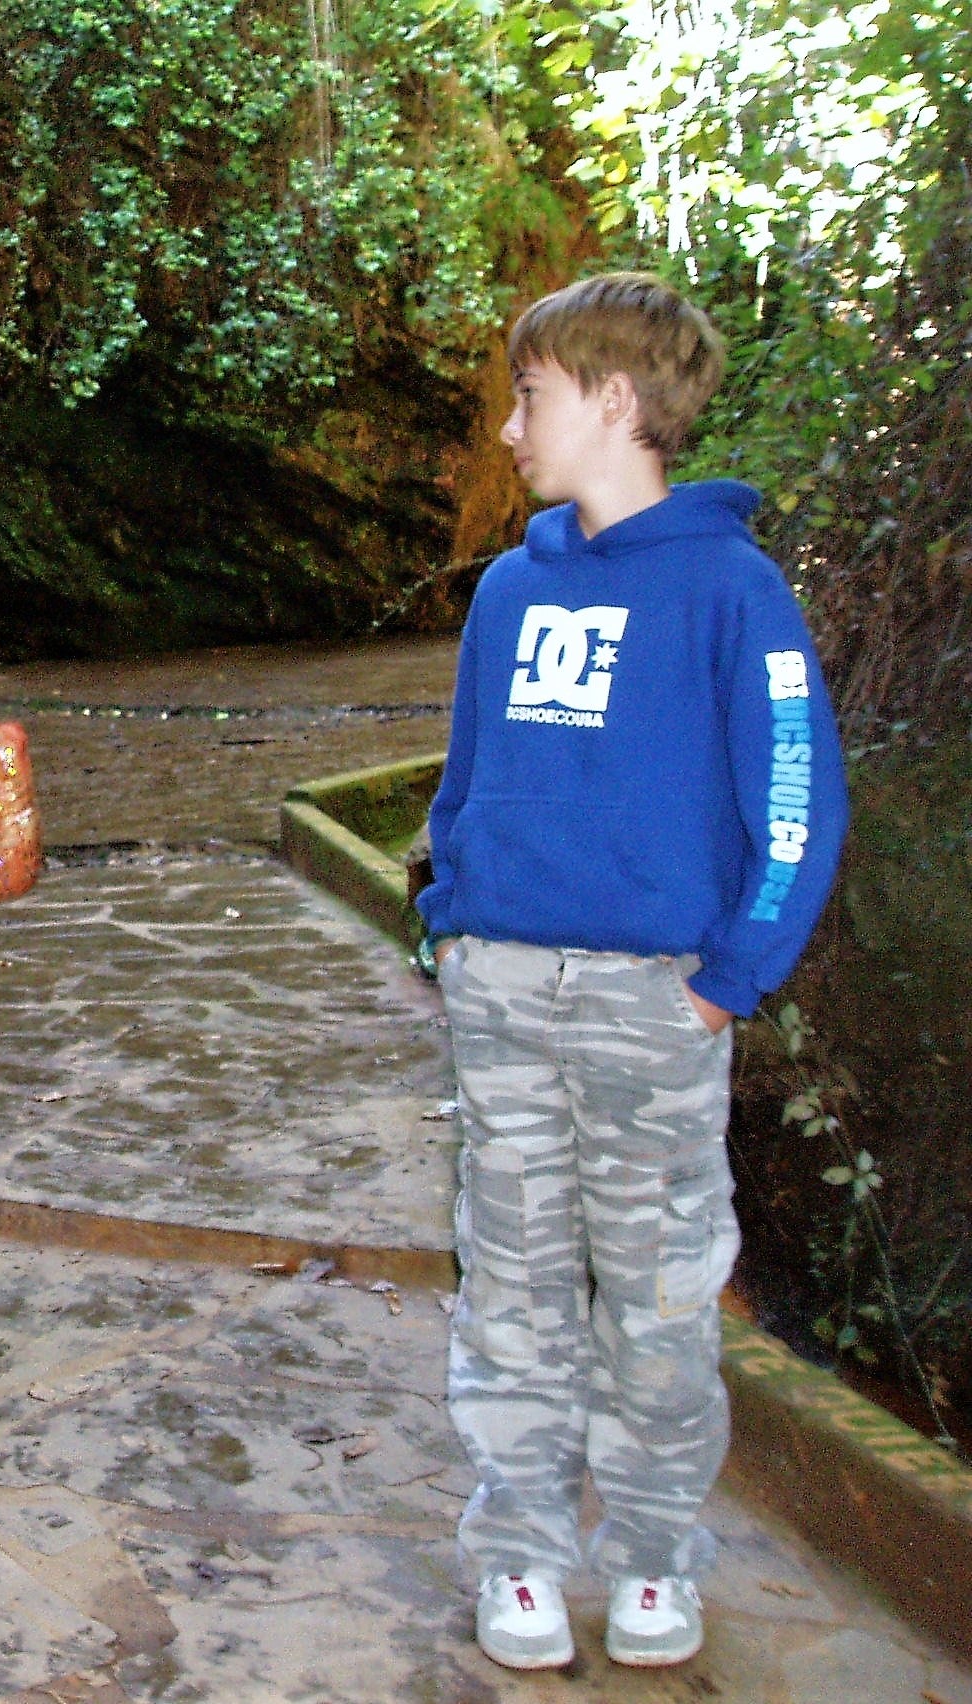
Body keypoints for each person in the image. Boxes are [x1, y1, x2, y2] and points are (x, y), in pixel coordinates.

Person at [418, 273, 846, 1673]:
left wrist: (733, 975)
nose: (506, 428)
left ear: (613, 401)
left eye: (526, 396)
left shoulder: (735, 588)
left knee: (659, 1295)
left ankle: (655, 1557)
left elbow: (794, 798)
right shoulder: (507, 588)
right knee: (516, 1285)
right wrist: (453, 921)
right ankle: (524, 1558)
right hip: (504, 996)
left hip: (656, 1001)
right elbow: (470, 777)